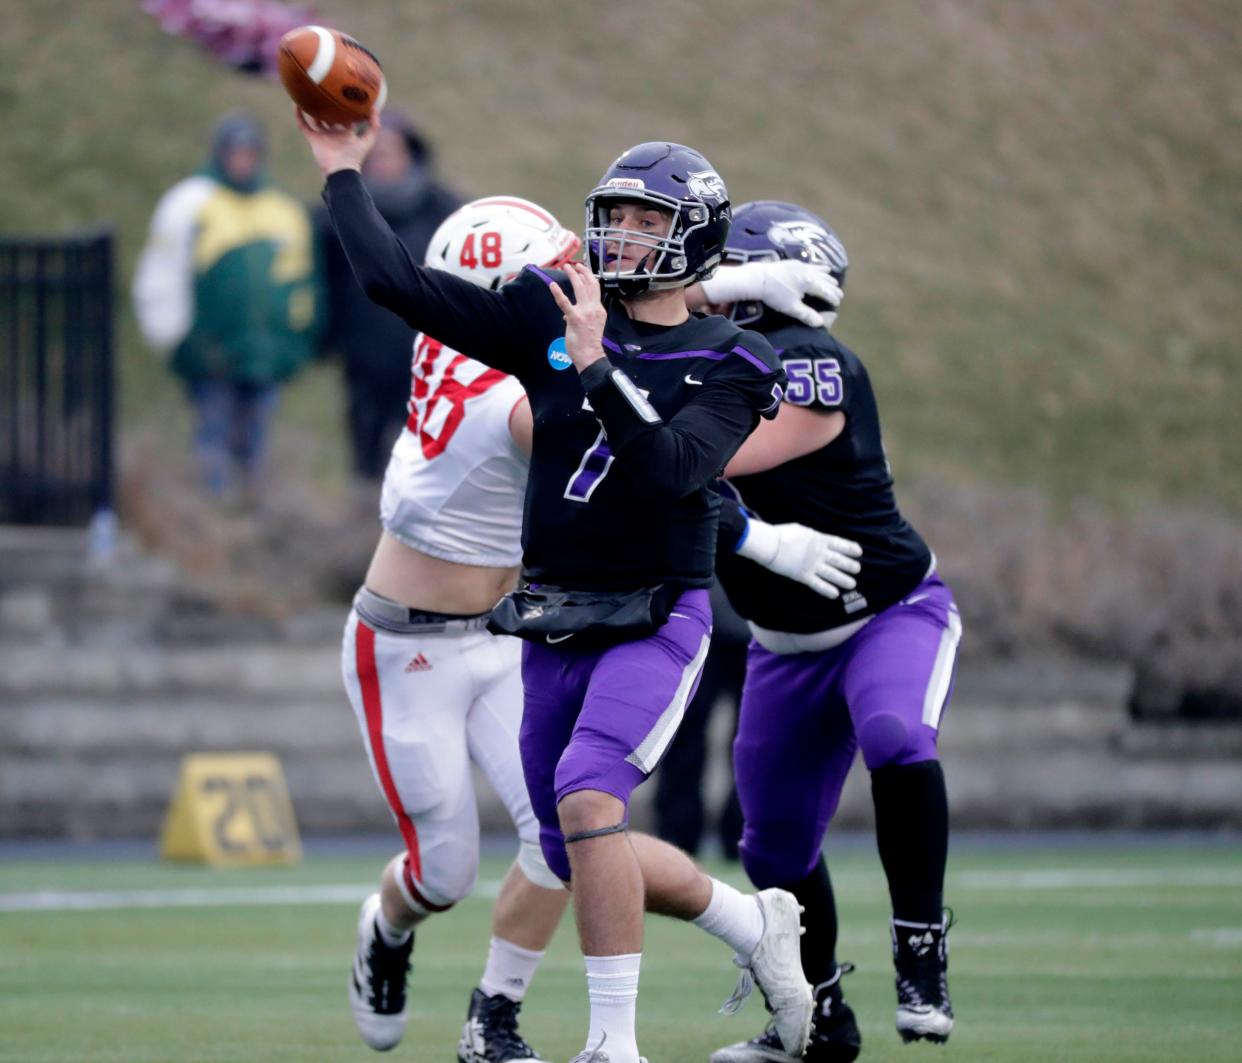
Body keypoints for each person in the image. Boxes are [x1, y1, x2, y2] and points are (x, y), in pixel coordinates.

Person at [300, 118, 852, 1063]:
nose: (618, 241)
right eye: (614, 221)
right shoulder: (542, 319)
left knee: (588, 799)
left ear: (689, 238)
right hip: (549, 615)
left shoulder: (736, 359)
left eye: (646, 223)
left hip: (652, 611)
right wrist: (343, 171)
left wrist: (597, 361)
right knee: (564, 844)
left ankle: (608, 1044)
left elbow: (674, 468)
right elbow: (393, 283)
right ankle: (750, 924)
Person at [703, 201, 962, 1062]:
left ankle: (920, 949)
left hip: (886, 613)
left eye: (721, 267)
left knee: (894, 732)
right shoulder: (711, 358)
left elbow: (697, 456)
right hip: (783, 642)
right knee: (770, 845)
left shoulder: (812, 363)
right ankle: (817, 1023)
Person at [340, 195, 580, 1062]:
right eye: (555, 272)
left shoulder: (457, 336)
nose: (574, 281)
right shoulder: (511, 401)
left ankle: (496, 1011)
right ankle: (386, 926)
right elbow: (598, 416)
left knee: (563, 830)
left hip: (501, 637)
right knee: (442, 873)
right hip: (406, 646)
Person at [133, 111, 321, 502]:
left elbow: (303, 283)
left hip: (266, 355)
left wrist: (296, 344)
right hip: (211, 354)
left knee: (257, 439)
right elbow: (162, 276)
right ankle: (211, 517)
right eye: (235, 152)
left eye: (249, 152)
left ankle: (252, 518)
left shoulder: (282, 210)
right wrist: (177, 339)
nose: (242, 161)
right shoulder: (191, 203)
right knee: (212, 438)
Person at [319, 109, 462, 483]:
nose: (383, 163)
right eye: (375, 155)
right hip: (363, 358)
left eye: (391, 152)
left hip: (427, 359)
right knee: (366, 454)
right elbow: (327, 283)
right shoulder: (337, 219)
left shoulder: (448, 213)